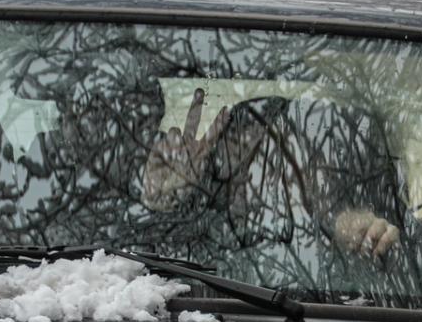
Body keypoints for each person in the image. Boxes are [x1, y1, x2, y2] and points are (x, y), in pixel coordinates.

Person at [142, 87, 401, 266]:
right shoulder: (198, 212)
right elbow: (131, 263)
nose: (243, 147)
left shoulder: (295, 214)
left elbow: (324, 224)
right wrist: (165, 197)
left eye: (255, 135)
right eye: (230, 137)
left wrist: (354, 229)